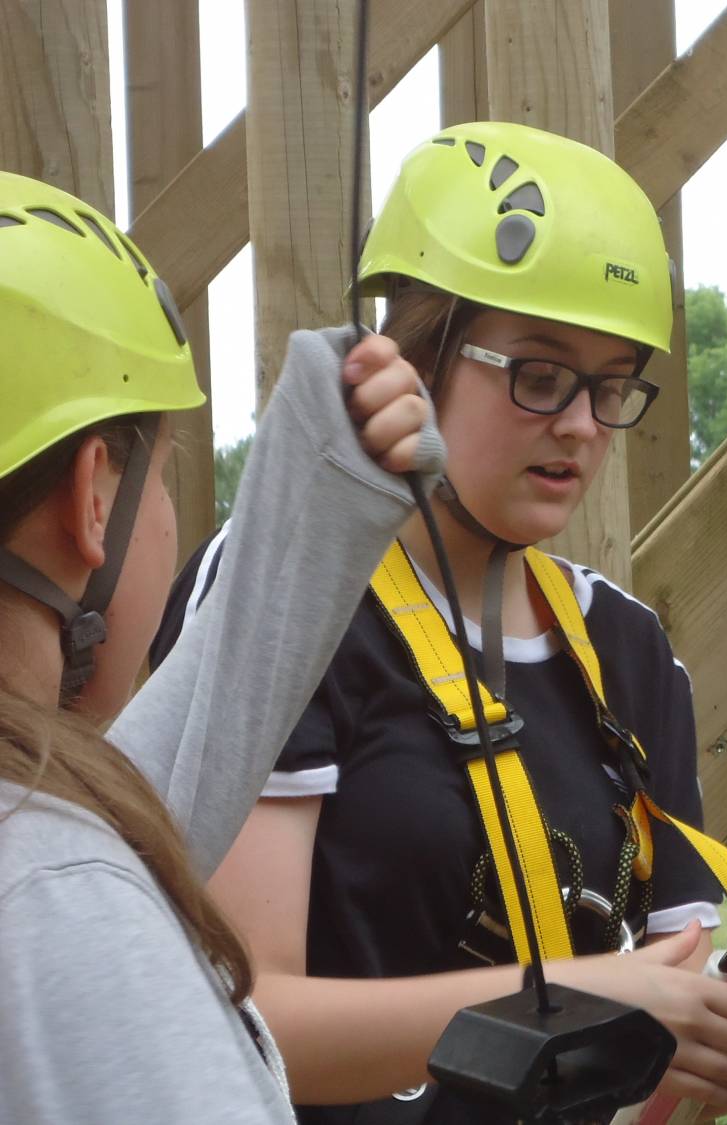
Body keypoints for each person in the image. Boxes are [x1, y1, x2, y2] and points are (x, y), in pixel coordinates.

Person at [153, 121, 727, 1123]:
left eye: (612, 385)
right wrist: (577, 1004)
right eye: (540, 375)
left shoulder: (627, 650)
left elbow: (647, 1067)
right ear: (416, 357)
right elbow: (242, 1023)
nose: (581, 425)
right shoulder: (290, 604)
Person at [0, 171, 442, 1123]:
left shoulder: (48, 843)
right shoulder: (62, 901)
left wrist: (321, 497)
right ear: (93, 499)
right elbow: (80, 863)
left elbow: (123, 811)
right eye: (162, 476)